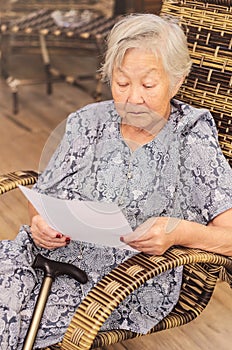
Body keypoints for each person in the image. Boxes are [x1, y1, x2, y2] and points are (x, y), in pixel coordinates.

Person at [1, 13, 232, 349]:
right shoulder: (87, 122)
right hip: (38, 258)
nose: (132, 98)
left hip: (117, 283)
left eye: (148, 85)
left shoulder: (190, 137)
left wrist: (178, 233)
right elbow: (42, 197)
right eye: (121, 83)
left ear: (177, 81)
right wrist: (39, 223)